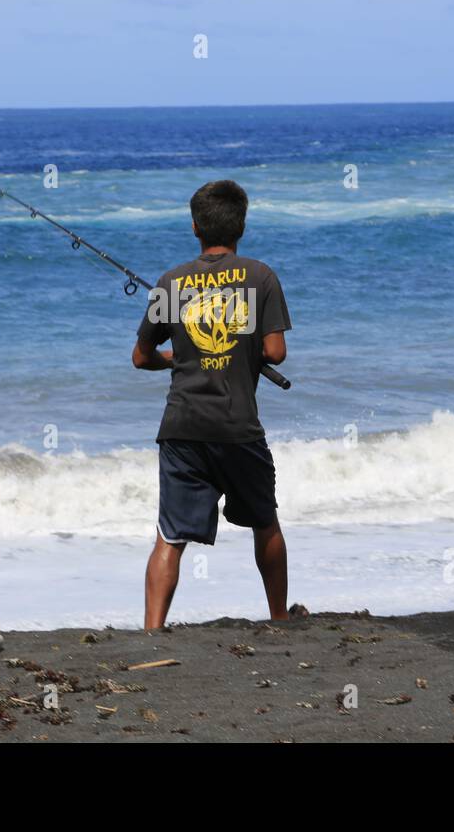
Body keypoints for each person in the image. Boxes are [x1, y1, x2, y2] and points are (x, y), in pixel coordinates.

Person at [133, 179, 299, 629]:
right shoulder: (260, 276)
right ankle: (279, 617)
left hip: (182, 426)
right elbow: (275, 352)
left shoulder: (170, 282)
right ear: (241, 226)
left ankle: (153, 630)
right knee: (264, 520)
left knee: (169, 536)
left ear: (194, 227)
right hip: (238, 426)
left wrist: (177, 357)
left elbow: (140, 357)